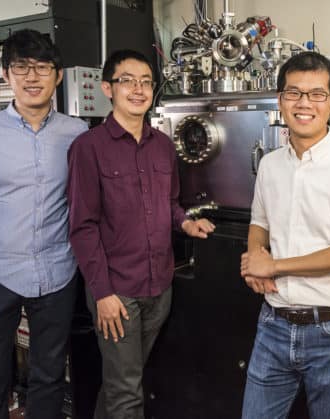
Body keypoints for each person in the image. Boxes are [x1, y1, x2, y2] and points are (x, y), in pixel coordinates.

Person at [0, 29, 88, 419]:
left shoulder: (76, 133)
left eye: (42, 67)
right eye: (21, 67)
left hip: (58, 272)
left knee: (50, 378)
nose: (32, 77)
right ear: (6, 75)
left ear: (58, 76)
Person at [67, 49, 214, 418]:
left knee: (123, 382)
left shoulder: (163, 146)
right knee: (127, 392)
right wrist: (101, 294)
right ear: (107, 88)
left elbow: (169, 203)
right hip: (117, 292)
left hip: (159, 287)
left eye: (146, 82)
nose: (138, 89)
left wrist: (184, 222)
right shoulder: (88, 148)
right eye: (127, 81)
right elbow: (82, 227)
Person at [239, 51, 330, 419]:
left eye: (316, 94)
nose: (305, 103)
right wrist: (255, 260)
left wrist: (273, 266)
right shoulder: (270, 164)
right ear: (280, 100)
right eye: (294, 93)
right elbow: (260, 221)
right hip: (274, 323)